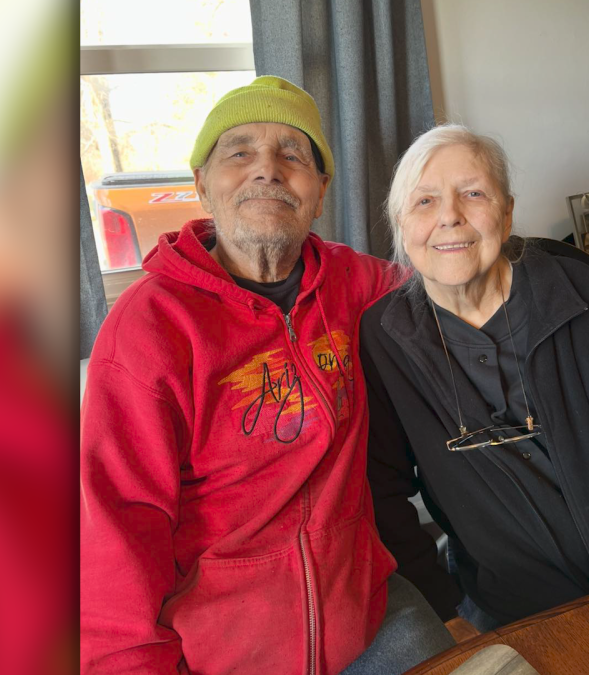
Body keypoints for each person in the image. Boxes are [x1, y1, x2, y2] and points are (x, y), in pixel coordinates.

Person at [80, 76, 454, 675]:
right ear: (202, 185)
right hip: (223, 652)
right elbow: (117, 529)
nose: (267, 170)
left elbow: (456, 289)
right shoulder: (148, 328)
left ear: (321, 192)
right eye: (239, 152)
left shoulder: (358, 284)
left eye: (293, 155)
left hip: (369, 613)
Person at [360, 124, 589, 633]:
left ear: (506, 213)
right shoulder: (385, 338)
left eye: (473, 193)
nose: (449, 215)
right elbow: (382, 491)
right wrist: (441, 607)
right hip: (513, 611)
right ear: (402, 225)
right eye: (425, 201)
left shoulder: (586, 291)